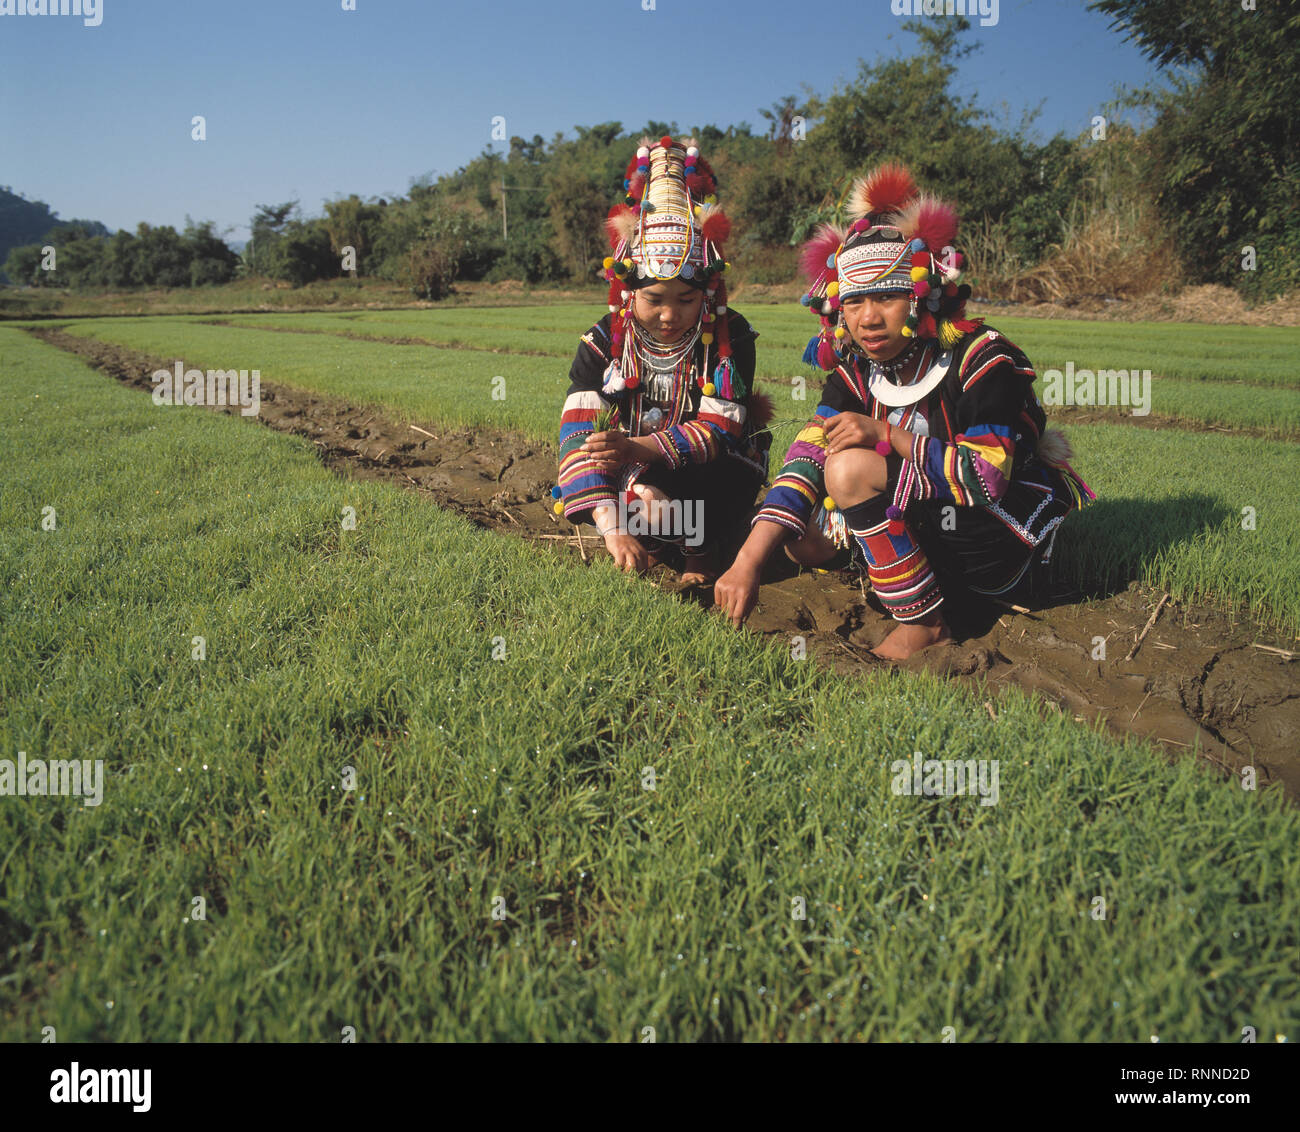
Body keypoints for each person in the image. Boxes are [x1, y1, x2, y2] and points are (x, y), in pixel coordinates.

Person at [714, 163, 1095, 659]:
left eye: (888, 297)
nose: (869, 318)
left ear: (923, 293)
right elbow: (806, 455)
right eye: (854, 302)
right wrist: (747, 561)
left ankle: (926, 622)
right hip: (926, 513)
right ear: (838, 310)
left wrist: (886, 436)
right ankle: (902, 569)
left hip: (996, 536)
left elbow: (985, 479)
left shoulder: (981, 356)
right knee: (802, 541)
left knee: (849, 468)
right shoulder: (856, 367)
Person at [553, 135, 772, 584]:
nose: (669, 315)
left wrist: (638, 447)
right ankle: (653, 540)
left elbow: (721, 430)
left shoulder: (729, 337)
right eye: (653, 298)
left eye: (686, 299)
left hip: (712, 473)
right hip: (635, 470)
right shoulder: (602, 340)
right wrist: (612, 530)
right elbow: (578, 434)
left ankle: (703, 552)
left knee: (677, 499)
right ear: (627, 291)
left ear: (708, 293)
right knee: (640, 505)